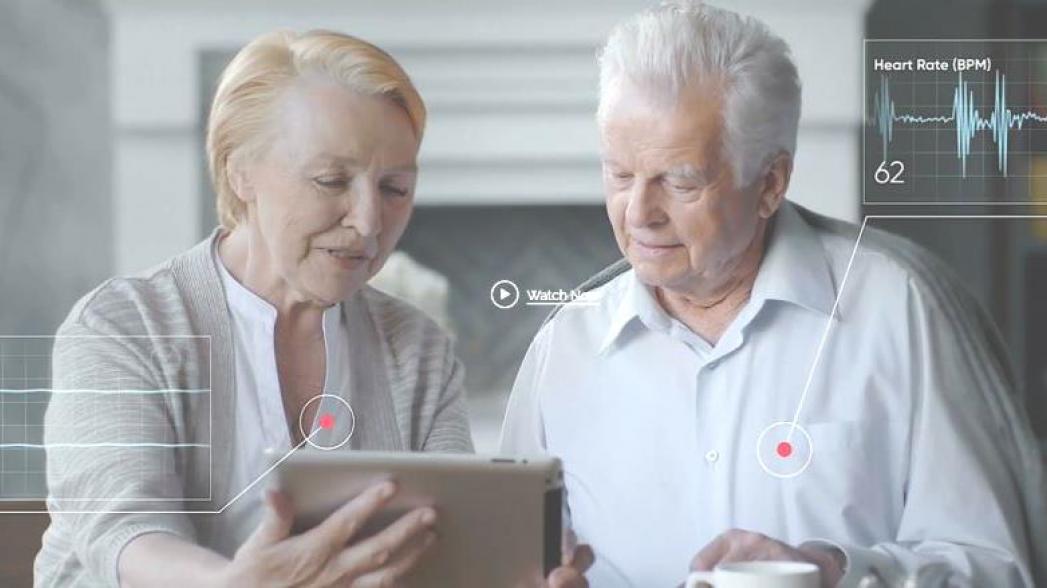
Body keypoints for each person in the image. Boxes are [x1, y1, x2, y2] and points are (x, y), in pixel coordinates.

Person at [499, 2, 1047, 587]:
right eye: (620, 175)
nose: (638, 213)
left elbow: (1003, 568)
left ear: (770, 183)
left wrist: (833, 572)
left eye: (679, 182)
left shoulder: (904, 310)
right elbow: (500, 555)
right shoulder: (564, 343)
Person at [36, 30, 589, 587]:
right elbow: (123, 528)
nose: (368, 222)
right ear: (240, 171)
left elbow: (446, 538)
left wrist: (511, 569)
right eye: (331, 180)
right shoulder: (124, 327)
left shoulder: (416, 347)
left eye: (395, 189)